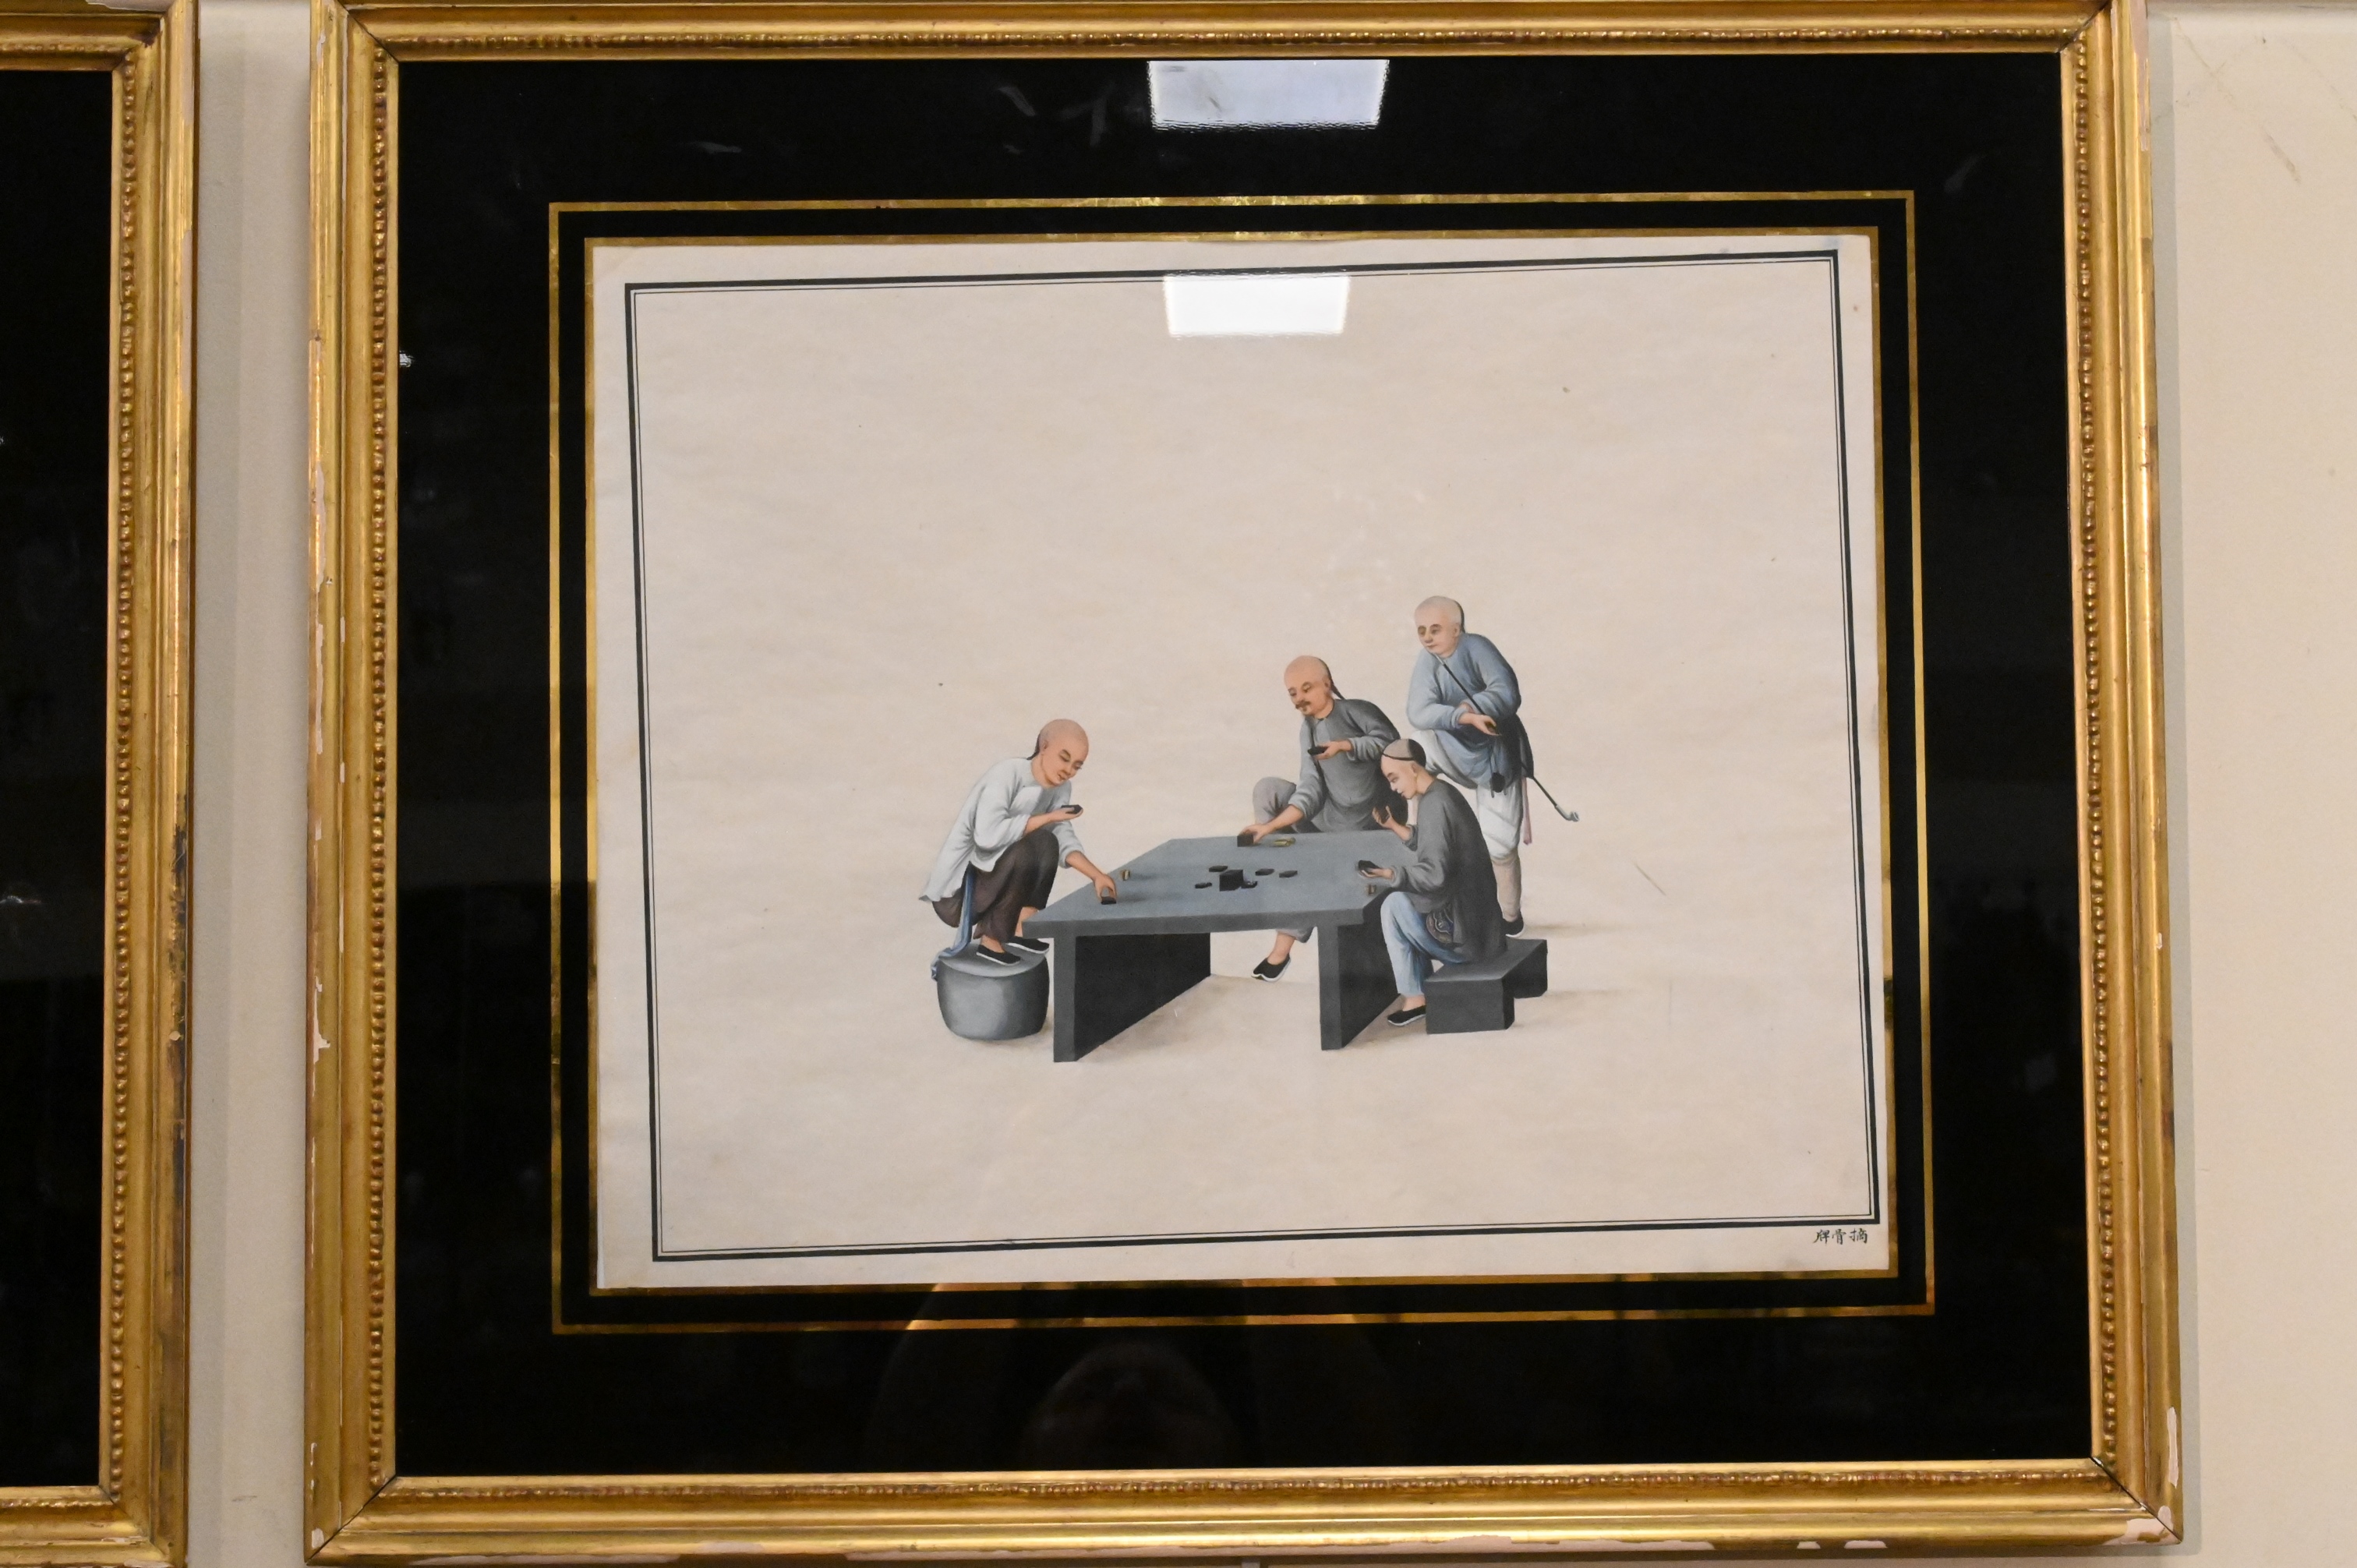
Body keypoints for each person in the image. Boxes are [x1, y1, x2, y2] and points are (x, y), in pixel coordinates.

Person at [1238, 655, 1401, 982]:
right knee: (1268, 789)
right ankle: (1287, 870)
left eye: (1306, 688)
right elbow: (1310, 789)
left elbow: (1392, 746)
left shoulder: (1357, 710)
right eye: (1292, 693)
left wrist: (1345, 746)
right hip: (1330, 820)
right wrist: (1269, 827)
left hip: (1368, 827)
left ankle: (1281, 948)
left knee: (1313, 870)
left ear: (1327, 684)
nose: (1299, 699)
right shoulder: (1308, 729)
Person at [921, 719, 1118, 966]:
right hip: (959, 894)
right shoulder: (1007, 774)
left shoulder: (1060, 788)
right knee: (1023, 849)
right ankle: (991, 940)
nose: (1069, 770)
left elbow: (1062, 836)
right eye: (1064, 758)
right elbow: (987, 837)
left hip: (993, 883)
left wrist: (1096, 876)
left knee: (1047, 842)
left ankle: (1020, 926)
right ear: (1044, 747)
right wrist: (1048, 817)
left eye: (1077, 766)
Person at [1405, 595, 1531, 934]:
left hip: (1494, 756)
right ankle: (1420, 828)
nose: (1427, 637)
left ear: (1457, 629)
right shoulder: (1427, 660)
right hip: (1453, 746)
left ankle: (1509, 917)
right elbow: (1418, 711)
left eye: (1435, 629)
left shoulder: (1477, 647)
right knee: (1414, 746)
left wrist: (1474, 708)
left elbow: (1507, 692)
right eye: (1421, 630)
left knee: (1500, 846)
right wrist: (1462, 717)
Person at [1362, 737, 1505, 1026]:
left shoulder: (1434, 804)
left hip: (1469, 941)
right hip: (1483, 929)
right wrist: (1394, 827)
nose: (1393, 788)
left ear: (1413, 769)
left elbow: (1435, 874)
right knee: (1408, 901)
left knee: (1394, 905)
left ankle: (1416, 999)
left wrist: (1390, 874)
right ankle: (1418, 994)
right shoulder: (1442, 793)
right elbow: (1433, 842)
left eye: (1394, 778)